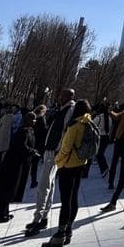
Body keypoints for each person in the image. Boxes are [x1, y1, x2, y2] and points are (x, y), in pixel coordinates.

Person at [41, 99, 92, 247]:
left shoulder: (74, 125)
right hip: (80, 163)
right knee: (74, 198)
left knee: (65, 201)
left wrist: (57, 160)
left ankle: (60, 235)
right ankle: (69, 230)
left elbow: (65, 147)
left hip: (68, 165)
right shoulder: (88, 123)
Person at [25, 89, 75, 237]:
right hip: (51, 149)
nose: (59, 97)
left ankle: (38, 219)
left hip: (55, 151)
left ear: (68, 97)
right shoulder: (63, 109)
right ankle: (44, 217)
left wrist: (59, 149)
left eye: (61, 95)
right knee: (49, 185)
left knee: (43, 185)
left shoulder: (69, 110)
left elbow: (65, 131)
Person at [0, 111, 36, 222]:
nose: (35, 121)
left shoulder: (27, 130)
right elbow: (22, 146)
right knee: (7, 190)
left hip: (16, 164)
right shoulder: (23, 131)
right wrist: (32, 151)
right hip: (13, 165)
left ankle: (4, 213)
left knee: (10, 190)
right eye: (33, 119)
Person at [29, 105, 48, 189]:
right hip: (39, 144)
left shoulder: (32, 117)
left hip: (31, 142)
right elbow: (44, 131)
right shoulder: (41, 119)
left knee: (31, 163)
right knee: (35, 164)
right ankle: (33, 181)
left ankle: (32, 180)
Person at [91, 103, 111, 178]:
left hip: (100, 136)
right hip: (106, 136)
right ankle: (104, 168)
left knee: (99, 154)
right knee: (101, 153)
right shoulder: (108, 118)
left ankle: (104, 168)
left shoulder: (98, 117)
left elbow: (92, 125)